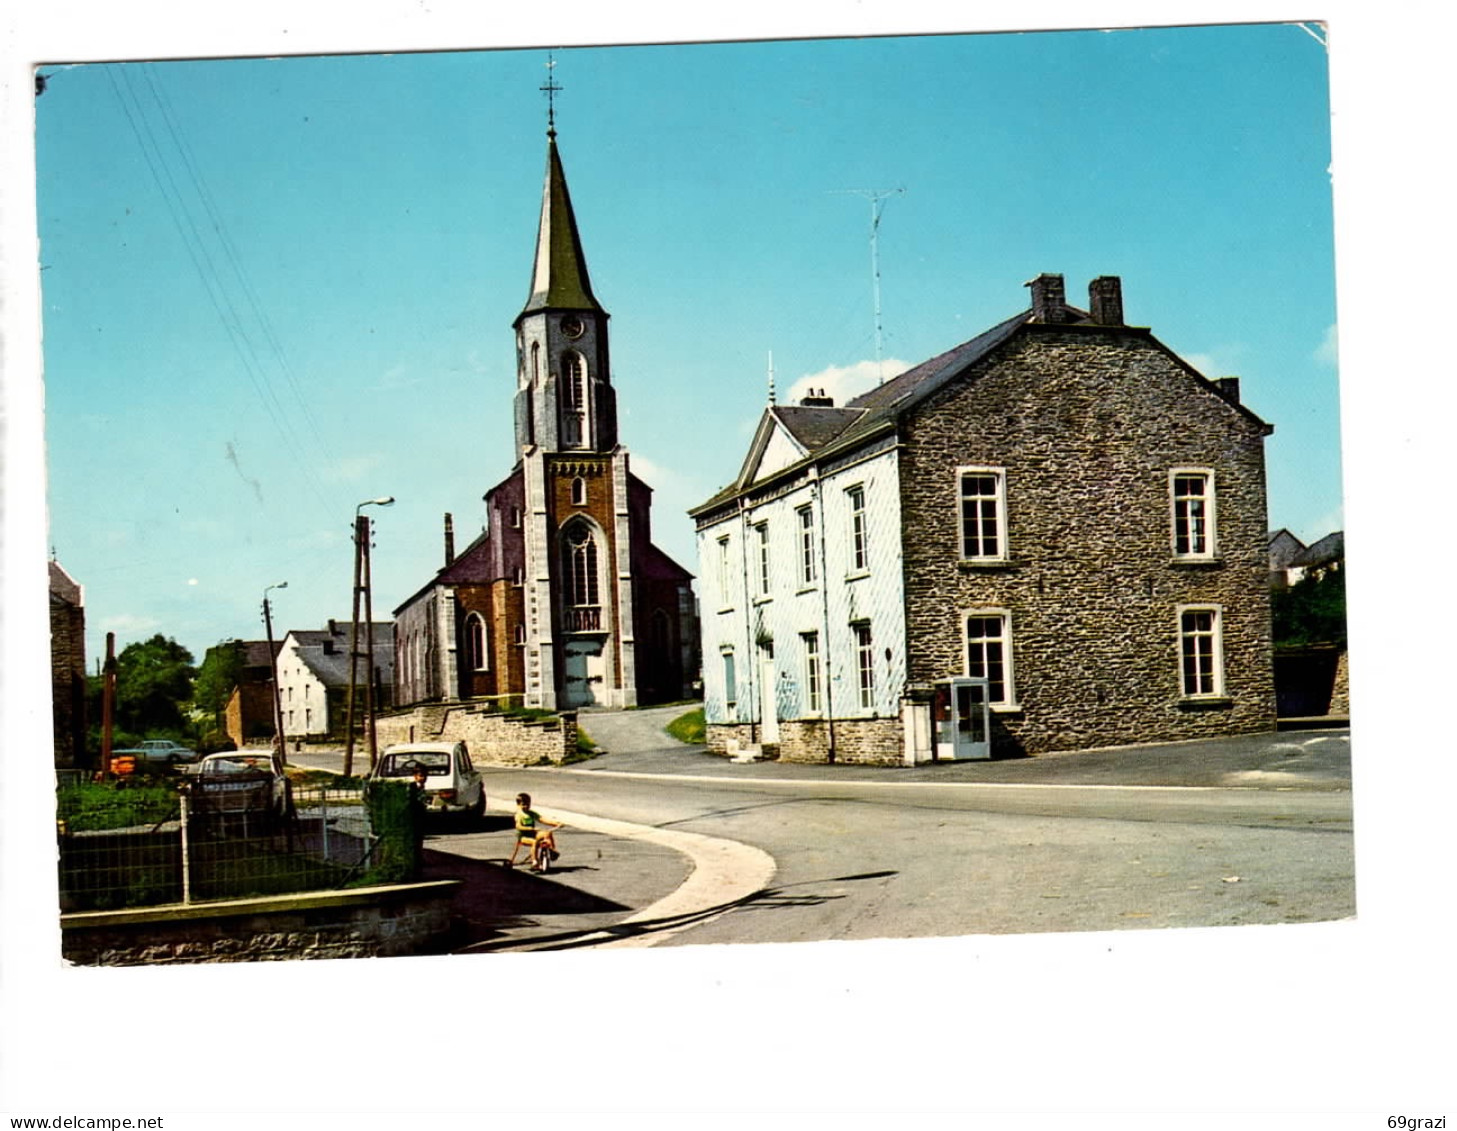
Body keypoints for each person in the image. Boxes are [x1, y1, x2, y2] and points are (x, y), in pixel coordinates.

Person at [506, 791, 561, 871]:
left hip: (533, 834)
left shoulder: (531, 813)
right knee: (535, 842)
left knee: (547, 833)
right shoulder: (519, 815)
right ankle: (534, 861)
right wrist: (531, 829)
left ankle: (552, 851)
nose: (526, 806)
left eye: (528, 804)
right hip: (524, 837)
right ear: (518, 805)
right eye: (524, 804)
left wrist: (556, 823)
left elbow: (542, 819)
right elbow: (518, 826)